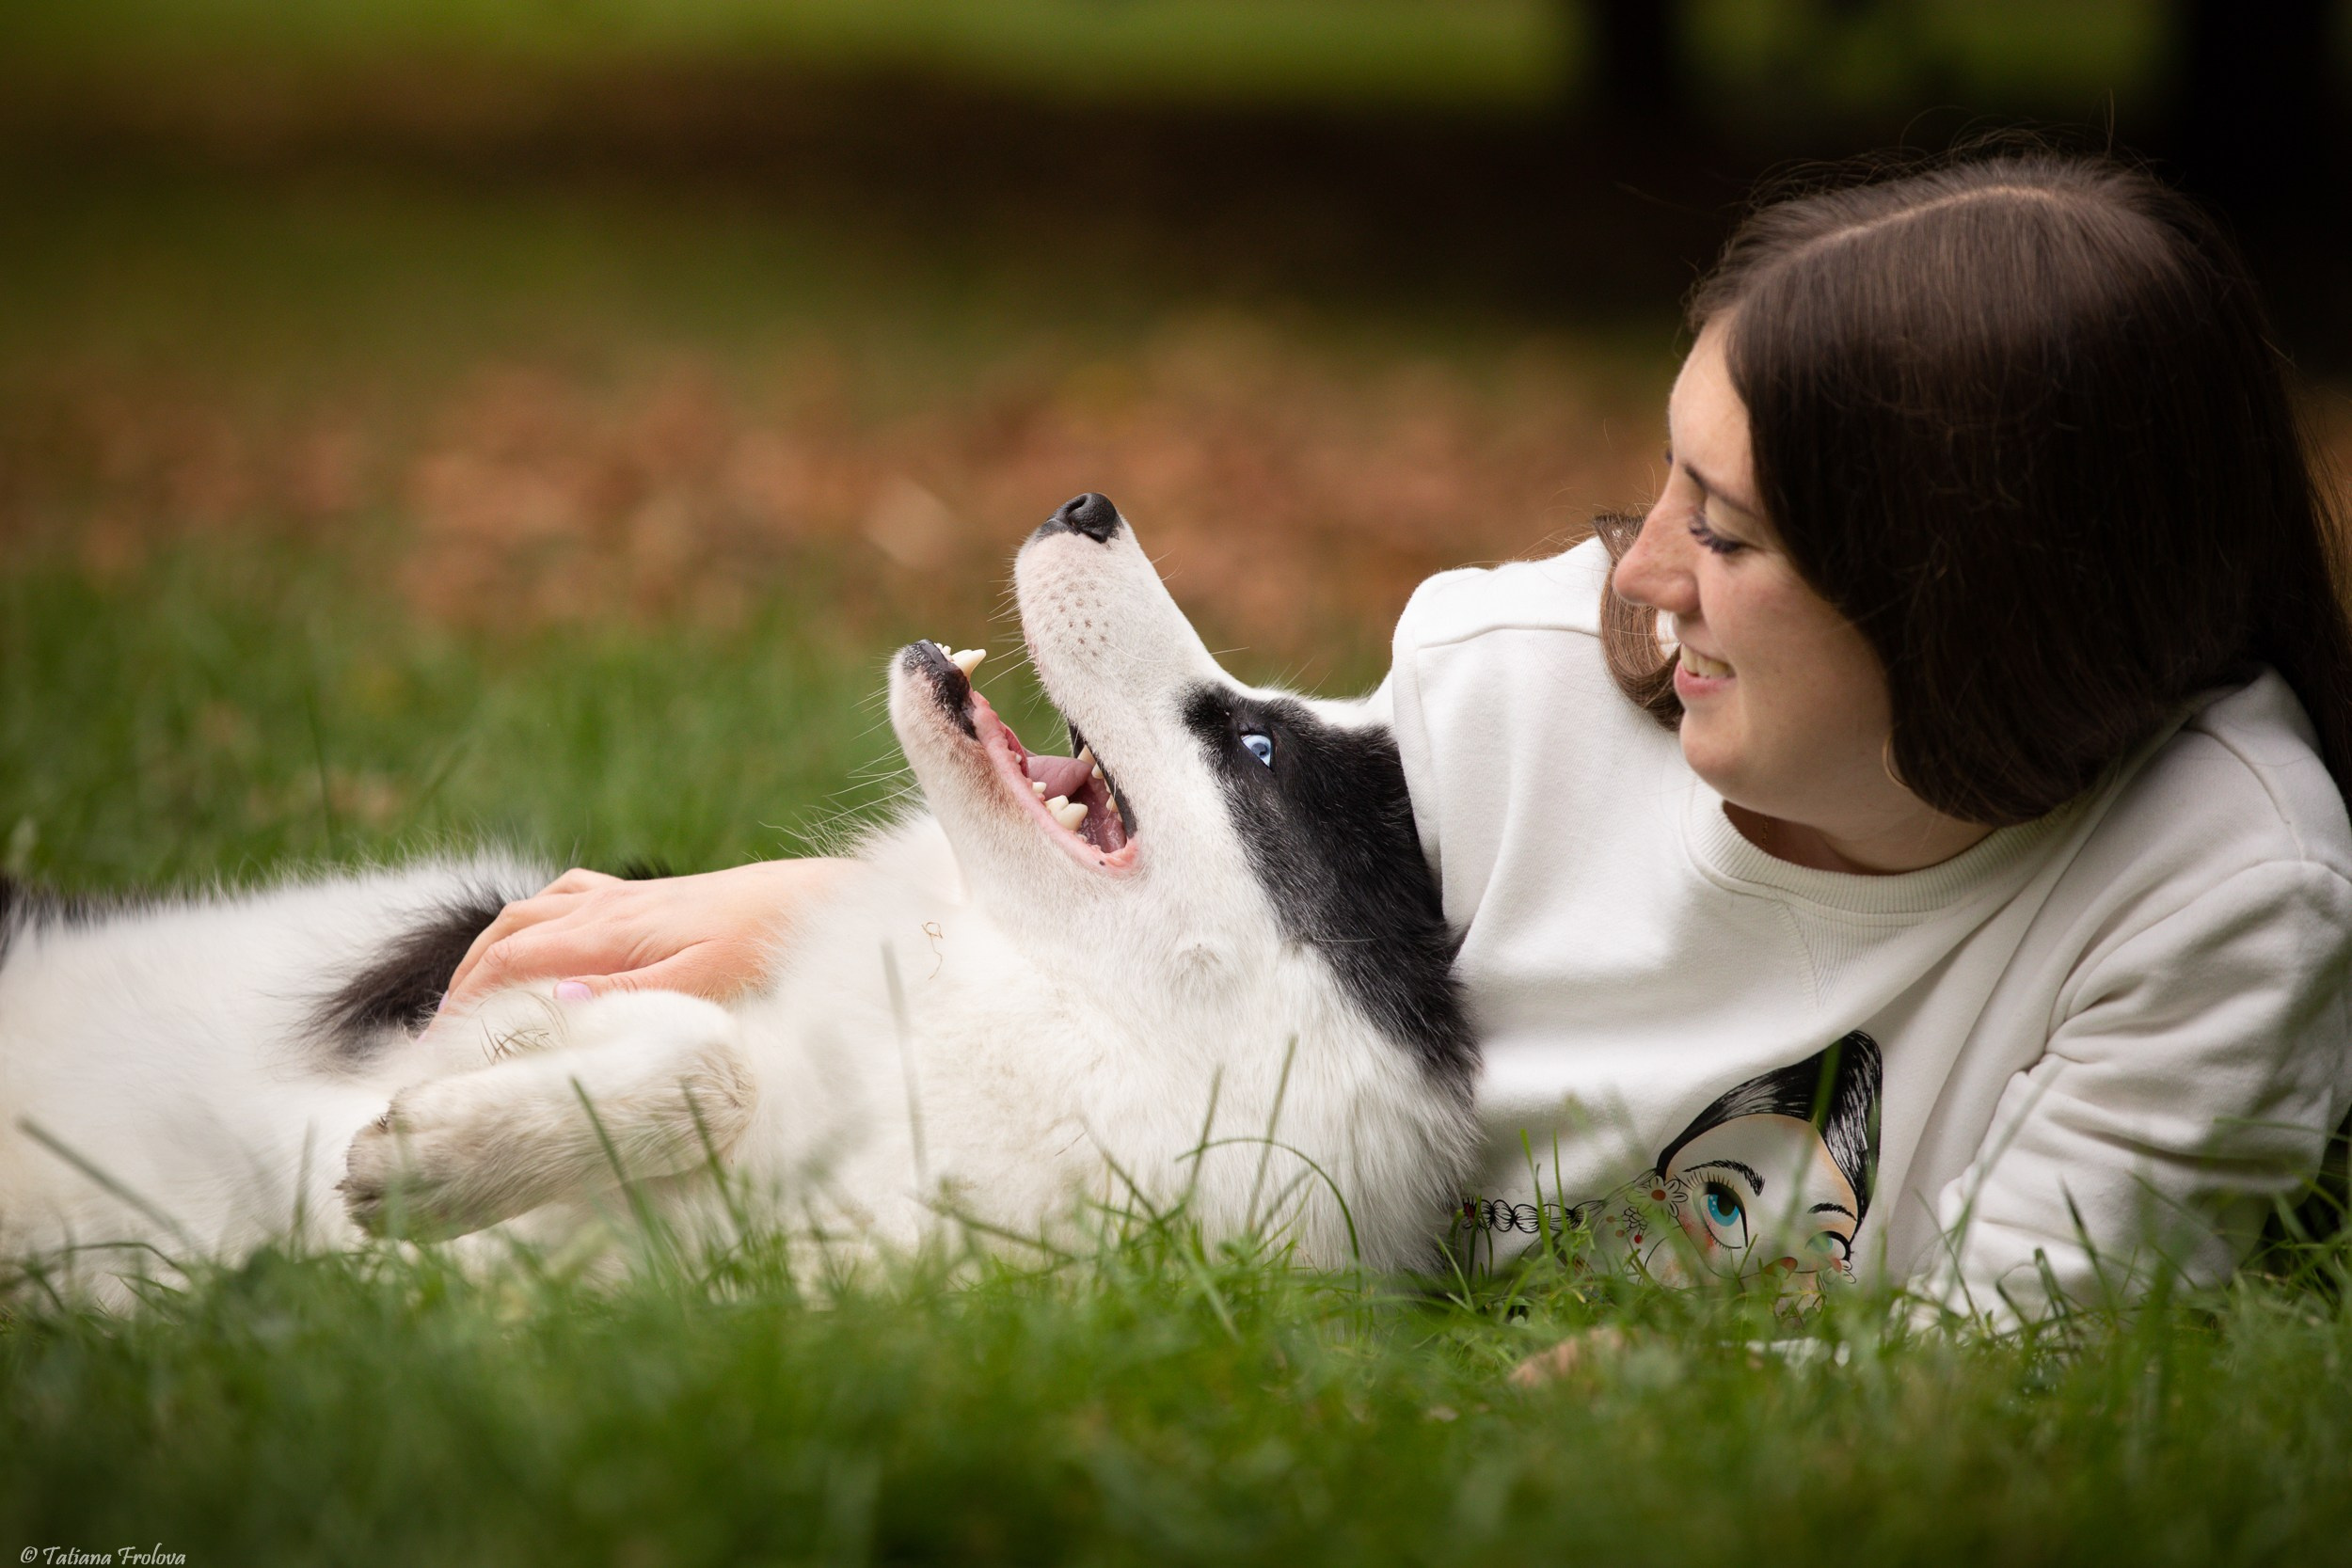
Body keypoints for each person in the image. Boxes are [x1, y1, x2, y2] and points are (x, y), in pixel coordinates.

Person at [433, 150, 2352, 1323]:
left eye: (1729, 534)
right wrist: (817, 913)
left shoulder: (2212, 890)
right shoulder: (1516, 688)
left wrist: (1687, 1392)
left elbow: (2026, 1352)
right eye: (1665, 482)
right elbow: (1201, 884)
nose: (1638, 573)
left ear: (1975, 617)